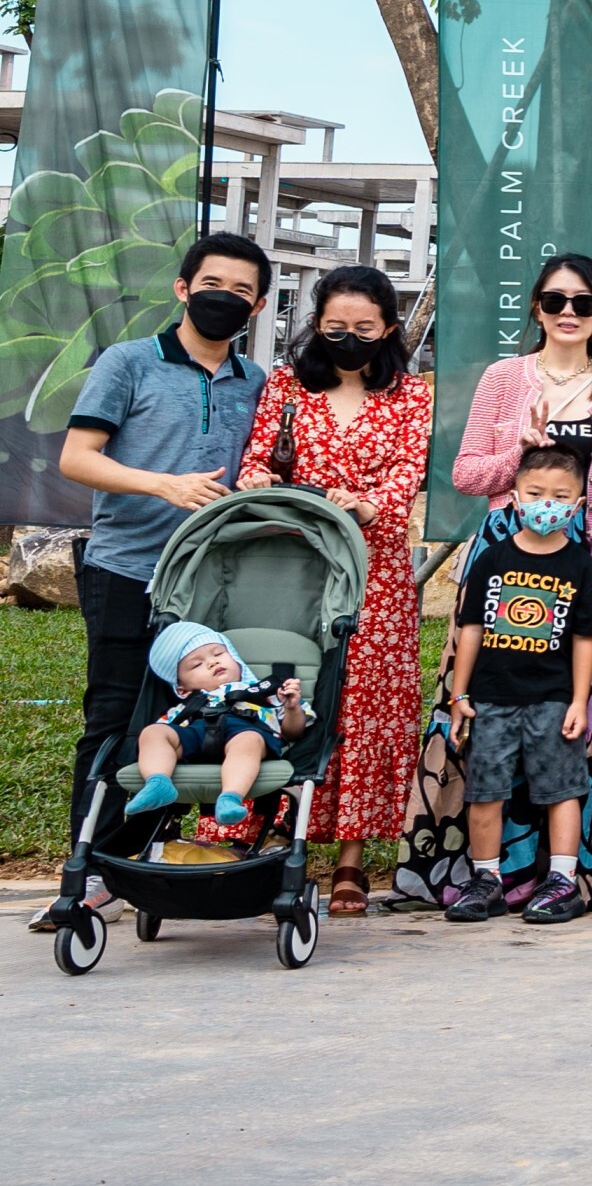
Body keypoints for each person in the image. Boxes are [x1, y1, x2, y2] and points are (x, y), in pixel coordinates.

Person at [234, 263, 426, 911]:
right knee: (287, 687)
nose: (348, 336)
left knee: (363, 703)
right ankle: (271, 837)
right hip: (292, 566)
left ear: (389, 329)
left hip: (375, 572)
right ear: (317, 325)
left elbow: (407, 473)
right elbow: (260, 455)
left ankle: (349, 858)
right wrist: (257, 478)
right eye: (336, 325)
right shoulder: (286, 385)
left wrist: (371, 504)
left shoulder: (411, 395)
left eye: (363, 327)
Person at [442, 446, 592, 926]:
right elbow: (468, 630)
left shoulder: (582, 568)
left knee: (561, 790)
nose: (546, 503)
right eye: (536, 493)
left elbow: (585, 640)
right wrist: (460, 695)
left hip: (553, 700)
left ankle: (561, 881)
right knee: (484, 791)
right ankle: (486, 880)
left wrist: (579, 701)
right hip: (491, 699)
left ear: (578, 505)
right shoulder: (491, 558)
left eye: (560, 496)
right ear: (515, 497)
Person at [449, 246, 592, 566]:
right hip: (504, 550)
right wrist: (518, 454)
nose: (568, 312)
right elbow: (465, 476)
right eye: (555, 301)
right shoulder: (501, 378)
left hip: (581, 553)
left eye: (583, 303)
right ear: (538, 310)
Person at [126, 618, 296, 822]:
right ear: (182, 688)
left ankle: (230, 798)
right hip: (196, 734)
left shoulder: (266, 693)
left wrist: (292, 708)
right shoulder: (187, 706)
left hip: (245, 731)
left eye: (219, 654)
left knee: (249, 740)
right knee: (153, 733)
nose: (213, 662)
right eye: (197, 664)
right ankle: (157, 782)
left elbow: (293, 732)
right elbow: (165, 733)